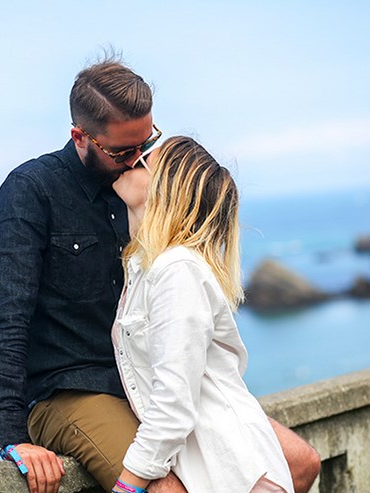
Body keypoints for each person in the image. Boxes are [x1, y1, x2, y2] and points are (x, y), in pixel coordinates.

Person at [0, 57, 320, 493]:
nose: (135, 160)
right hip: (75, 389)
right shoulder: (32, 191)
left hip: (151, 382)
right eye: (122, 152)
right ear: (80, 137)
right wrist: (10, 436)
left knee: (300, 463)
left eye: (146, 144)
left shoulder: (146, 191)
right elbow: (7, 317)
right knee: (165, 490)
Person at [110, 137, 293, 493]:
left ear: (164, 188)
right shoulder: (146, 268)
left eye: (143, 158)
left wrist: (127, 487)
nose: (130, 159)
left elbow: (173, 405)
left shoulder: (176, 271)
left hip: (240, 479)